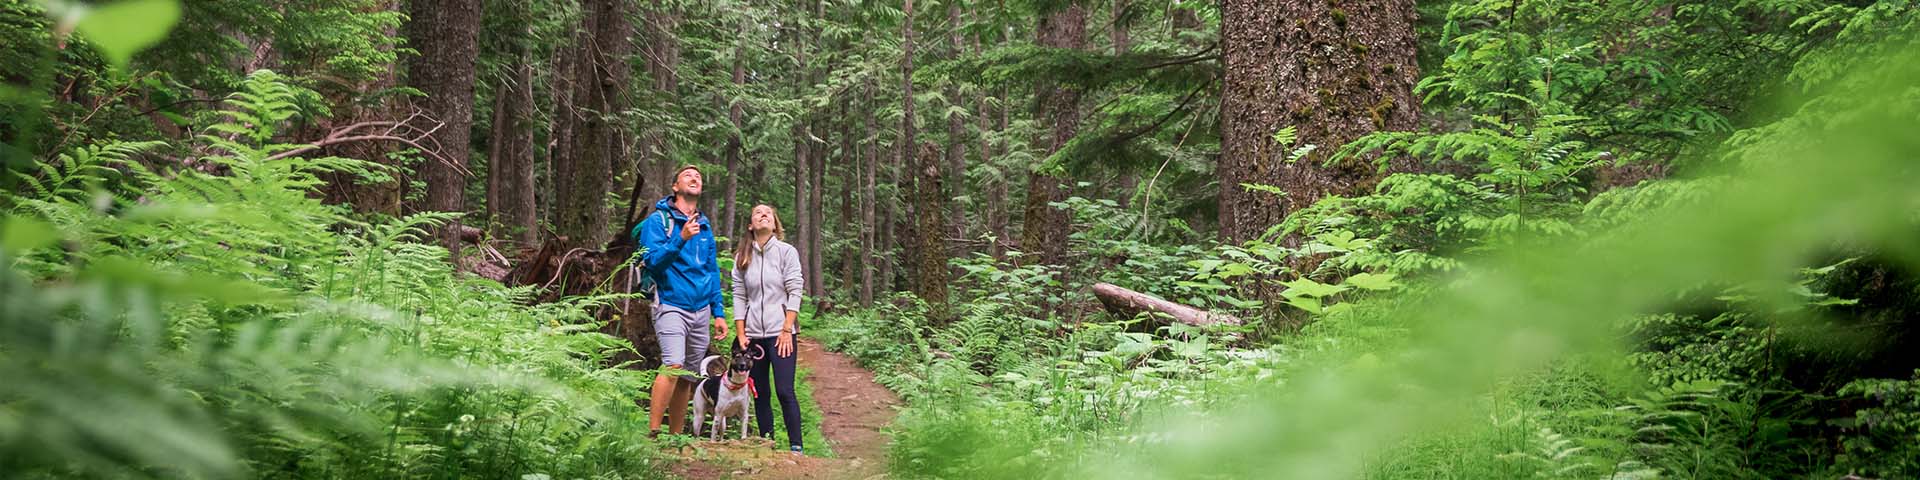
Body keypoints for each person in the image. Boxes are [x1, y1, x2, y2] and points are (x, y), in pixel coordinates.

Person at [636, 165, 730, 437]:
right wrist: (681, 238)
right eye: (688, 175)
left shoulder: (705, 225)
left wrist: (719, 312)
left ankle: (677, 438)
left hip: (701, 310)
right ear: (675, 187)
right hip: (671, 303)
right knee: (673, 365)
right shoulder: (658, 221)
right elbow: (652, 262)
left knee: (688, 376)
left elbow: (711, 270)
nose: (695, 178)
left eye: (698, 177)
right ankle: (654, 434)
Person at [731, 204, 805, 453]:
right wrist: (741, 334)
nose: (763, 215)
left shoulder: (786, 252)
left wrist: (787, 329)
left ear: (774, 225)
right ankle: (766, 445)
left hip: (781, 333)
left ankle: (796, 448)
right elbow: (739, 295)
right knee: (760, 392)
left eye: (768, 213)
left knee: (785, 391)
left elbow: (795, 290)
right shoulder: (742, 257)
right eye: (757, 213)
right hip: (752, 337)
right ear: (751, 225)